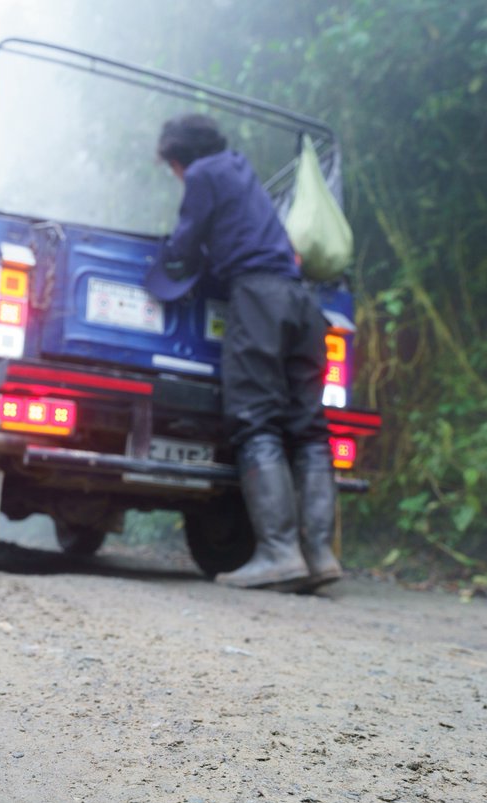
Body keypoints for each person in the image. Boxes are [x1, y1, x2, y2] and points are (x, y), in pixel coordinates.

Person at [155, 113, 340, 591]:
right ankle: (318, 555)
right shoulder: (238, 167)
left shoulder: (200, 174)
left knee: (254, 417)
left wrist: (167, 260)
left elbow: (187, 240)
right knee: (308, 425)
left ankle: (279, 554)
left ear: (178, 159)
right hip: (301, 300)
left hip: (258, 297)